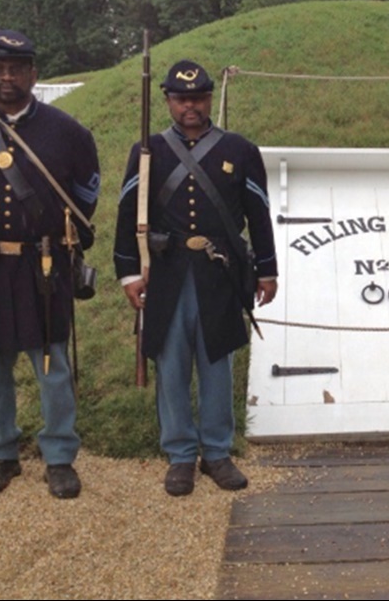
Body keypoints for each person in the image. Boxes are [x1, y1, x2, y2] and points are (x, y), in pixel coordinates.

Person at [0, 30, 100, 498]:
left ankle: (60, 455)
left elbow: (87, 190)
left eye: (16, 68)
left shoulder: (66, 132)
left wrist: (52, 233)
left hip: (42, 264)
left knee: (52, 364)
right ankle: (0, 453)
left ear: (33, 73)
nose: (6, 77)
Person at [114, 59, 278, 496]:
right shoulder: (147, 151)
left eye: (199, 97)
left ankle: (218, 451)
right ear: (168, 100)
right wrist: (129, 271)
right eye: (181, 98)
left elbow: (258, 214)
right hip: (166, 273)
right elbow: (129, 212)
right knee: (170, 364)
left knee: (216, 361)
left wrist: (267, 269)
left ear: (209, 99)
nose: (191, 106)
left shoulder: (239, 149)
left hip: (217, 271)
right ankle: (181, 455)